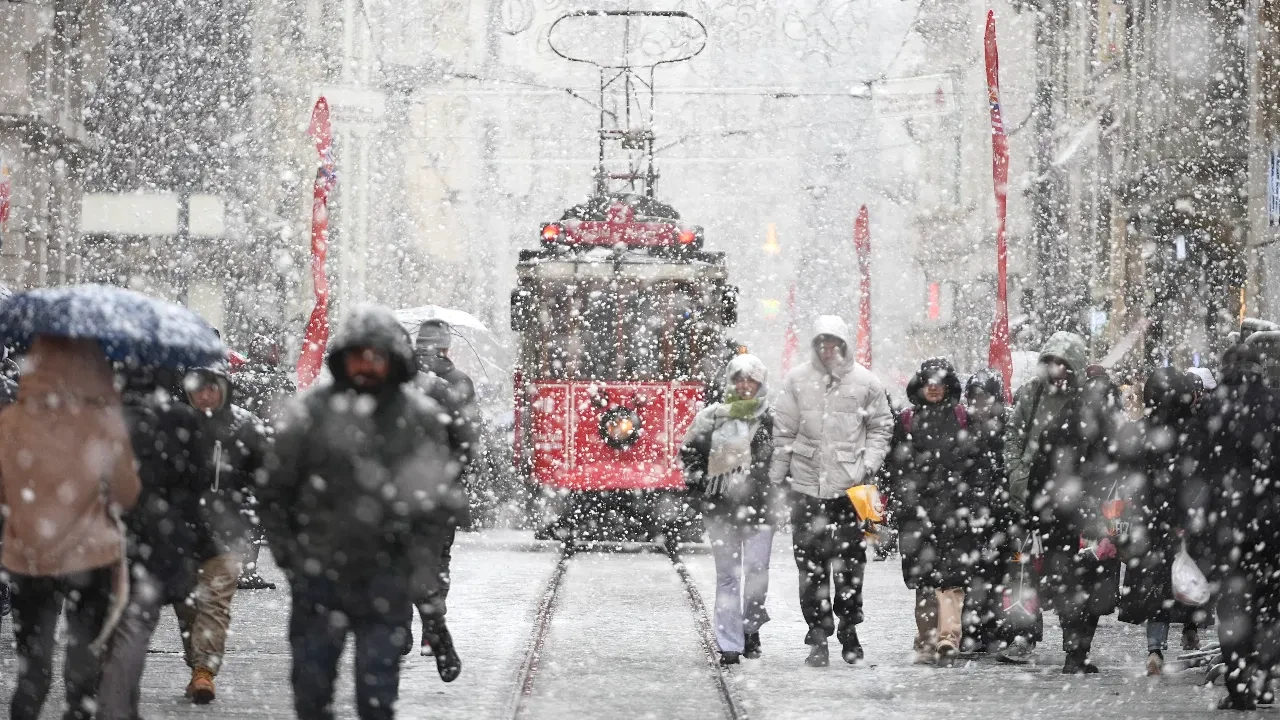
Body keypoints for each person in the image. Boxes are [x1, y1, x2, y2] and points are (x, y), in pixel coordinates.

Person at [259, 305, 461, 720]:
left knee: (377, 692)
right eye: (358, 356)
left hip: (385, 576)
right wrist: (292, 557)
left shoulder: (415, 418)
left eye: (376, 356)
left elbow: (433, 503)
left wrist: (417, 564)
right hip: (319, 574)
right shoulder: (312, 413)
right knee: (311, 692)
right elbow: (275, 491)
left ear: (393, 360)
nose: (366, 367)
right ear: (343, 359)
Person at [0, 336, 142, 720]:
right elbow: (127, 494)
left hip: (27, 556)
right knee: (84, 665)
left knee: (33, 667)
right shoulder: (101, 419)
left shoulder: (10, 420)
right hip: (89, 556)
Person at [770, 315, 893, 667]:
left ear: (843, 345)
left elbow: (881, 427)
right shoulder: (797, 380)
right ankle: (818, 635)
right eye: (821, 343)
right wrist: (778, 478)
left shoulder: (866, 382)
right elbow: (784, 433)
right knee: (810, 569)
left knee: (851, 568)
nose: (827, 350)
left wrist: (869, 464)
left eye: (833, 343)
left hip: (851, 492)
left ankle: (849, 628)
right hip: (806, 489)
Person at [98, 369, 211, 720]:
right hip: (158, 538)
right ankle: (116, 708)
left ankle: (119, 704)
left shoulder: (103, 415)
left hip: (106, 533)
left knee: (112, 623)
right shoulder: (179, 418)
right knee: (136, 624)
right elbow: (198, 482)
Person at [1189, 344, 1280, 710]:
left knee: (1232, 607)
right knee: (1268, 604)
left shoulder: (1213, 406)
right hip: (1272, 522)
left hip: (1227, 524)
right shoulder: (1275, 404)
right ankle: (1263, 678)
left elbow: (1197, 469)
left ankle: (1239, 685)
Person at [178, 361, 271, 701]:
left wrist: (249, 510)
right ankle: (197, 662)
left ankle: (204, 672)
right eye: (198, 389)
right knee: (187, 607)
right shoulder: (176, 425)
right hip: (182, 535)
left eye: (212, 388)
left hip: (227, 534)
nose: (205, 396)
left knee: (215, 604)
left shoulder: (245, 426)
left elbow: (266, 476)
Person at [680, 354, 776, 665]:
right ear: (730, 382)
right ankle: (729, 643)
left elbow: (785, 461)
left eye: (751, 379)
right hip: (721, 510)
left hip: (761, 509)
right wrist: (702, 486)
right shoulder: (710, 417)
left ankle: (750, 627)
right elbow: (688, 454)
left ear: (760, 383)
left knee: (758, 574)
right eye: (739, 378)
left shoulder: (772, 420)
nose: (745, 385)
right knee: (727, 577)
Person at [1000, 330, 1089, 664]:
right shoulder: (1031, 394)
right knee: (1022, 573)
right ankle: (1022, 636)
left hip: (1067, 504)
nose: (1055, 369)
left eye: (1062, 363)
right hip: (1026, 499)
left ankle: (1074, 647)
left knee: (1067, 575)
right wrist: (1017, 475)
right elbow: (1013, 438)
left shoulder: (1084, 401)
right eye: (1050, 362)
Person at [1029, 370, 1126, 674]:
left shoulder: (1058, 426)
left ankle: (1074, 649)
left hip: (1063, 521)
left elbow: (1039, 478)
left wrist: (1039, 515)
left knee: (1069, 585)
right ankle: (1079, 649)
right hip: (1098, 520)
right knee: (1095, 584)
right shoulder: (1111, 432)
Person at [884, 358, 976, 665]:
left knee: (951, 578)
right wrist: (902, 502)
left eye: (939, 383)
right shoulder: (907, 420)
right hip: (917, 512)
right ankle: (926, 638)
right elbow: (895, 468)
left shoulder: (963, 418)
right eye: (929, 383)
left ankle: (949, 637)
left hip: (954, 509)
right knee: (924, 579)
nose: (934, 389)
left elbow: (977, 464)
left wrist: (972, 500)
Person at [1115, 367, 1204, 677]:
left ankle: (1155, 649)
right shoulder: (1194, 431)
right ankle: (1192, 626)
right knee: (1187, 578)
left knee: (1156, 589)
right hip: (1184, 520)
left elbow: (1127, 479)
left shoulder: (1140, 431)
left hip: (1149, 522)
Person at [408, 319, 479, 673]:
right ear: (448, 347)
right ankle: (429, 632)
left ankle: (405, 627)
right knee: (437, 560)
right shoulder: (459, 382)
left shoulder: (402, 381)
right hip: (440, 488)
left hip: (402, 487)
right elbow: (468, 438)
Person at [962, 369, 1016, 654]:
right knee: (972, 574)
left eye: (984, 398)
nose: (979, 405)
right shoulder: (964, 427)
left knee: (998, 575)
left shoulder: (1007, 428)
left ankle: (995, 628)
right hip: (971, 512)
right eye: (974, 398)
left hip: (1000, 513)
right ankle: (973, 630)